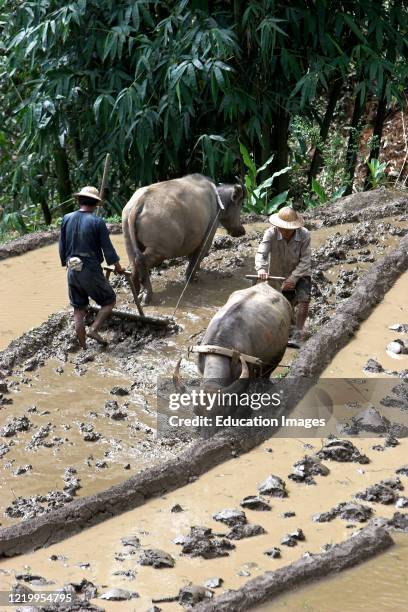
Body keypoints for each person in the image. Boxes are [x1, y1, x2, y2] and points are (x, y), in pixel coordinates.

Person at [59, 186, 125, 349]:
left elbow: (62, 245)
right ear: (96, 204)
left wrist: (64, 263)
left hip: (72, 268)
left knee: (78, 310)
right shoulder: (97, 222)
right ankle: (94, 329)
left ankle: (83, 348)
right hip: (89, 267)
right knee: (109, 300)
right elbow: (107, 248)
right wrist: (117, 266)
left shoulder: (66, 218)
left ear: (79, 201)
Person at [255, 206, 311, 345]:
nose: (285, 232)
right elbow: (261, 253)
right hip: (278, 274)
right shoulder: (270, 233)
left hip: (300, 273)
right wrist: (261, 269)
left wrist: (293, 278)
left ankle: (298, 334)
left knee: (304, 301)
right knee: (283, 306)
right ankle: (283, 330)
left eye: (289, 229)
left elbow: (306, 260)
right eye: (282, 228)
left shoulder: (304, 234)